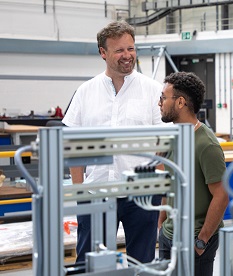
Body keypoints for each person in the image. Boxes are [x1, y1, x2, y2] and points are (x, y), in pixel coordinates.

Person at [62, 20, 163, 264]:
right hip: (97, 192)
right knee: (90, 263)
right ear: (103, 53)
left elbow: (165, 144)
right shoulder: (86, 92)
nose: (127, 55)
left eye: (131, 48)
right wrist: (81, 192)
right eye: (119, 50)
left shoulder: (152, 90)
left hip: (142, 194)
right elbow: (73, 144)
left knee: (143, 264)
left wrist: (158, 189)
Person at [157, 72, 229, 276]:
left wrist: (202, 240)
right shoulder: (173, 137)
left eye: (163, 97)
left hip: (195, 239)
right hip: (169, 235)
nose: (159, 103)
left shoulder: (206, 144)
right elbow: (168, 183)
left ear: (180, 102)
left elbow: (221, 196)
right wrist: (161, 223)